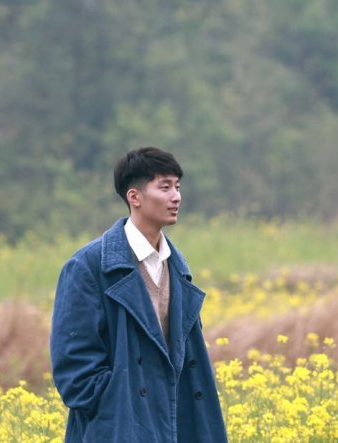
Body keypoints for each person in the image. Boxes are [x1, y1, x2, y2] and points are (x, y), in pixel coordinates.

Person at [50, 147, 227, 442]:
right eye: (165, 187)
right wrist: (114, 406)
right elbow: (73, 366)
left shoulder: (177, 266)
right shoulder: (89, 266)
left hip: (177, 420)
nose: (176, 197)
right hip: (120, 427)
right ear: (135, 197)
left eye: (178, 187)